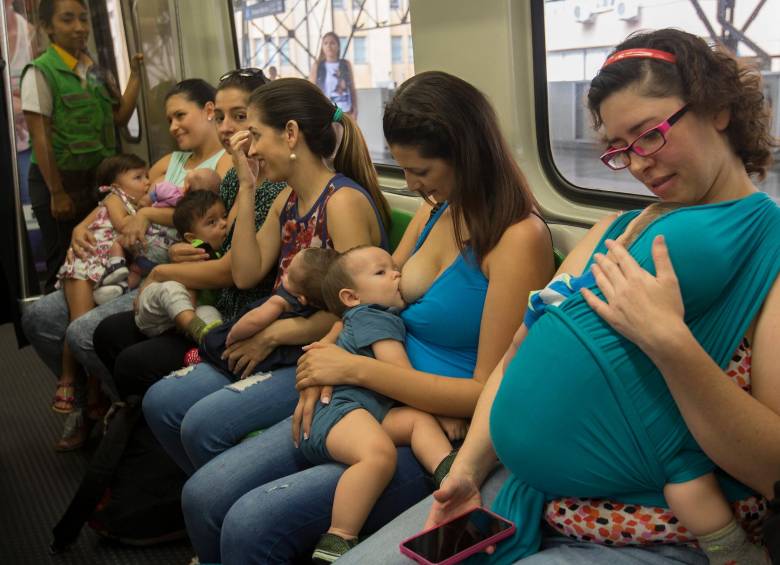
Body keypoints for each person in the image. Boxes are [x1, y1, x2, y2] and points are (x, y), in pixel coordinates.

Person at [339, 29, 780, 565]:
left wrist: (670, 344)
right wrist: (467, 469)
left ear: (716, 109)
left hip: (657, 526)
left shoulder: (770, 257)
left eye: (649, 135)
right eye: (620, 150)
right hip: (531, 492)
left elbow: (772, 469)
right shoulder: (617, 229)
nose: (638, 164)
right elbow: (520, 349)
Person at [154, 71, 554, 564]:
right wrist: (323, 359)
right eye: (404, 170)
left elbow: (487, 391)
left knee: (249, 523)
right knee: (204, 494)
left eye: (422, 171)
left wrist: (353, 369)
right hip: (357, 393)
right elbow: (369, 297)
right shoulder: (441, 209)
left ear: (467, 155)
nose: (412, 185)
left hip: (422, 428)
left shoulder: (518, 238)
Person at [141, 75, 392, 482]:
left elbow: (355, 314)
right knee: (160, 402)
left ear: (290, 134)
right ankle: (215, 492)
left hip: (314, 351)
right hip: (279, 337)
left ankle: (220, 495)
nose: (251, 148)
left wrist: (273, 335)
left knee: (200, 424)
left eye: (256, 136)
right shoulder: (286, 198)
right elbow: (244, 274)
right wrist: (246, 183)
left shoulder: (341, 203)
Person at [21, 77, 231, 451]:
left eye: (180, 115)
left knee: (82, 332)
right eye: (168, 119)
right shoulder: (170, 161)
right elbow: (122, 198)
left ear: (209, 111)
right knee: (38, 319)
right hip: (131, 256)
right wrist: (81, 229)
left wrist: (148, 213)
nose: (173, 127)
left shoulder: (225, 165)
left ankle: (128, 417)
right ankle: (88, 404)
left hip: (165, 268)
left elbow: (199, 218)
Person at [90, 69, 287, 403]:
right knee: (108, 333)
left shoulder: (272, 186)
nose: (225, 127)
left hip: (239, 313)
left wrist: (163, 270)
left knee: (132, 362)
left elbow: (234, 270)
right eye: (220, 116)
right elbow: (213, 239)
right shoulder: (232, 181)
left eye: (238, 117)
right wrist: (188, 247)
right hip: (215, 298)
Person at [305, 245, 461, 563]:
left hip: (368, 411)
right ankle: (338, 537)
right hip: (340, 411)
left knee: (418, 421)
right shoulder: (371, 317)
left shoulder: (374, 314)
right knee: (378, 455)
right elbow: (402, 377)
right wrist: (444, 409)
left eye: (394, 268)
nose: (396, 274)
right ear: (351, 297)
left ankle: (450, 474)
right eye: (381, 272)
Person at [21, 0, 143, 292]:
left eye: (83, 19)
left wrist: (136, 75)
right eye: (67, 20)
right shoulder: (39, 72)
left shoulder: (94, 71)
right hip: (60, 183)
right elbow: (41, 138)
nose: (79, 28)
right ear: (48, 27)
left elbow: (120, 115)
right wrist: (57, 193)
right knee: (64, 265)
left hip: (95, 183)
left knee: (97, 259)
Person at [50, 153, 151, 414]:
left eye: (147, 176)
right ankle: (68, 381)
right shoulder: (116, 199)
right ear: (115, 185)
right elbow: (122, 225)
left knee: (94, 321)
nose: (147, 182)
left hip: (106, 268)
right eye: (138, 177)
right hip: (86, 264)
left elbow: (81, 226)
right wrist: (152, 211)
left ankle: (95, 389)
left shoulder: (133, 203)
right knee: (79, 321)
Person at [99, 167, 224, 294]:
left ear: (186, 186)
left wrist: (145, 202)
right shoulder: (197, 211)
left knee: (119, 244)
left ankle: (116, 267)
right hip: (165, 256)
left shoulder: (173, 191)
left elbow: (155, 193)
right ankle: (122, 288)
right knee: (138, 272)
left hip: (148, 242)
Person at [133, 190, 228, 342]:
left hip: (182, 316)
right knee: (171, 288)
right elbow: (190, 285)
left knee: (211, 314)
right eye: (212, 222)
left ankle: (210, 343)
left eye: (224, 216)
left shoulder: (218, 251)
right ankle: (194, 329)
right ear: (192, 237)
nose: (224, 223)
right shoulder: (196, 251)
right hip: (157, 311)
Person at [224, 247, 336, 347]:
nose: (284, 272)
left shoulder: (280, 301)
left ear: (302, 299)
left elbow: (254, 321)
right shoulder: (322, 303)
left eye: (289, 275)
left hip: (248, 341)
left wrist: (233, 335)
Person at [309, 32, 357, 118]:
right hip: (327, 110)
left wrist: (355, 108)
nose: (329, 46)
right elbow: (310, 90)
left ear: (338, 46)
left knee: (346, 131)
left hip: (346, 109)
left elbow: (352, 87)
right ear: (322, 47)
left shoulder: (346, 64)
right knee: (333, 131)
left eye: (332, 43)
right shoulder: (317, 66)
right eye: (325, 43)